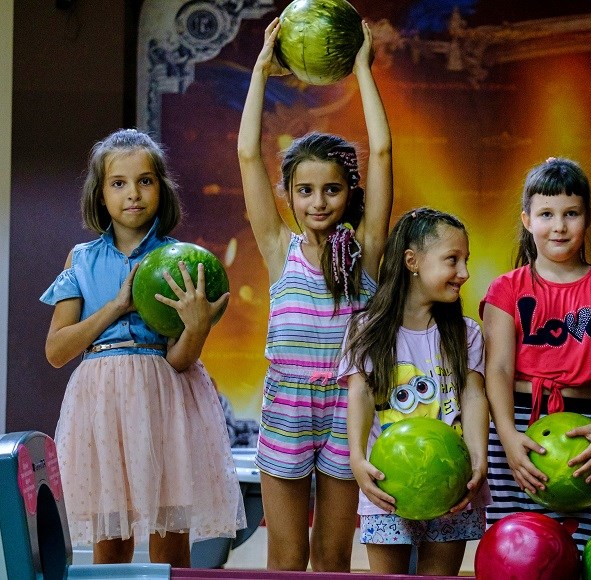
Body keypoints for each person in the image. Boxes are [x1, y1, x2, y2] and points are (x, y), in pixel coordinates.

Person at [41, 128, 246, 566]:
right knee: (110, 545)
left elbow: (180, 359)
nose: (132, 193)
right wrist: (116, 307)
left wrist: (196, 328)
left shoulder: (181, 259)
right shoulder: (80, 259)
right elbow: (57, 350)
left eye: (145, 181)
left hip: (164, 402)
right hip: (101, 406)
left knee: (170, 543)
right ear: (100, 195)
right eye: (118, 183)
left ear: (161, 188)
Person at [236, 17, 393, 572]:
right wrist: (260, 70)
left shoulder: (367, 251)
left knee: (331, 557)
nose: (318, 201)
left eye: (331, 189)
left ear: (349, 193)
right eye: (304, 191)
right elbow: (250, 157)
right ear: (291, 196)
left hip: (349, 408)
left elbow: (381, 151)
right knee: (286, 556)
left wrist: (361, 71)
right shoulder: (281, 249)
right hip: (287, 405)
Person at [480, 157, 591, 552]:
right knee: (510, 544)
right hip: (514, 426)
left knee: (574, 545)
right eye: (546, 214)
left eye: (571, 213)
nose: (559, 226)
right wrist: (507, 436)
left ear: (588, 217)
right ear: (527, 219)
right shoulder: (506, 289)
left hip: (587, 428)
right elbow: (497, 367)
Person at [339, 208, 490, 576]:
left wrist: (477, 459)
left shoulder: (465, 332)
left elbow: (473, 397)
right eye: (452, 260)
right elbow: (358, 395)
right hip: (386, 489)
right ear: (413, 261)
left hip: (452, 490)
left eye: (466, 260)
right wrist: (358, 461)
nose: (464, 273)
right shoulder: (367, 328)